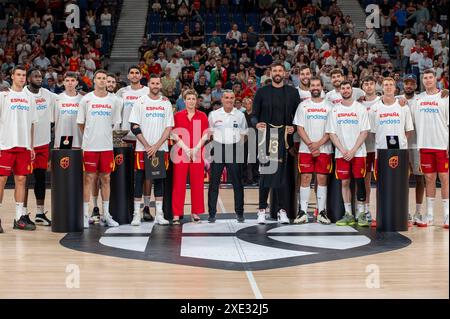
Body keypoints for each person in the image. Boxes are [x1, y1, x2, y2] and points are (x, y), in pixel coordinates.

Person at [252, 62, 300, 224]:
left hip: (284, 140)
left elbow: (297, 117)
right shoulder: (262, 92)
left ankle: (282, 210)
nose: (277, 73)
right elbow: (254, 115)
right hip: (266, 139)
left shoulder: (292, 93)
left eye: (280, 70)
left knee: (282, 177)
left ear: (285, 73)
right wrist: (256, 123)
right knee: (265, 174)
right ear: (270, 73)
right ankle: (261, 210)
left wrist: (293, 128)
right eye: (274, 70)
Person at [77, 69, 122, 228]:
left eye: (105, 78)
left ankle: (107, 215)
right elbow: (81, 123)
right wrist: (90, 135)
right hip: (90, 146)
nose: (102, 81)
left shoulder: (115, 100)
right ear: (94, 80)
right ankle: (84, 215)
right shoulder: (86, 99)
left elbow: (114, 123)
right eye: (100, 78)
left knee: (106, 179)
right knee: (88, 179)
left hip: (107, 146)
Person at [129, 74, 173, 226]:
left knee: (159, 180)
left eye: (157, 83)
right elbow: (134, 126)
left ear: (160, 85)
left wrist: (156, 146)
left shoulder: (166, 103)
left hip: (161, 149)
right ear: (148, 85)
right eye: (152, 83)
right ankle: (136, 214)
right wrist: (148, 145)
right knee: (139, 180)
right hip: (143, 149)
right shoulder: (140, 102)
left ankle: (159, 214)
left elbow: (169, 128)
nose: (155, 85)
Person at [326, 81, 370, 227]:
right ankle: (348, 214)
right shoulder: (335, 110)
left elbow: (364, 132)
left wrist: (352, 150)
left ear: (352, 90)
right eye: (343, 88)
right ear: (340, 91)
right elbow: (331, 133)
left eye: (347, 88)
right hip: (341, 153)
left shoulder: (360, 108)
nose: (345, 90)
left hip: (358, 152)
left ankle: (361, 214)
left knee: (359, 182)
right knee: (344, 182)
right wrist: (344, 150)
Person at [0, 65, 38, 232]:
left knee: (21, 180)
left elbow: (31, 124)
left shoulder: (30, 98)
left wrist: (31, 146)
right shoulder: (3, 96)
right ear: (12, 76)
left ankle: (18, 218)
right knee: (1, 180)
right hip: (5, 145)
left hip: (23, 146)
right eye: (19, 75)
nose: (22, 78)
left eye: (24, 75)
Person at [410, 69, 449, 228]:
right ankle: (430, 215)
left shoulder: (445, 97)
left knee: (445, 179)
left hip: (442, 145)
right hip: (424, 145)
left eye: (430, 77)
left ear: (436, 79)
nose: (427, 80)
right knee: (429, 179)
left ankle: (447, 215)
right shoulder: (417, 99)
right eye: (425, 78)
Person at [115, 66, 154, 222]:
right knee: (126, 175)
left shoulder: (147, 92)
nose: (134, 75)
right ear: (128, 75)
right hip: (124, 138)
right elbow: (117, 114)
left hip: (142, 138)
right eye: (131, 72)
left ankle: (146, 207)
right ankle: (127, 207)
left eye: (137, 73)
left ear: (141, 75)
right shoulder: (121, 92)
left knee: (146, 174)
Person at [293, 76, 332, 225]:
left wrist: (319, 144)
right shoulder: (303, 106)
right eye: (312, 85)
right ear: (309, 88)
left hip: (325, 148)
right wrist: (311, 144)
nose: (315, 87)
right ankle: (302, 212)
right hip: (305, 149)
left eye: (318, 85)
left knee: (322, 179)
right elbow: (299, 127)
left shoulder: (329, 106)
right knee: (305, 179)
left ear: (322, 87)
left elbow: (331, 129)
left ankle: (321, 211)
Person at [208, 90, 248, 223]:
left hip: (234, 148)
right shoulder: (213, 114)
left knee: (238, 183)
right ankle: (211, 213)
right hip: (218, 148)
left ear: (235, 99)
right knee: (214, 183)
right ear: (222, 99)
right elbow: (209, 134)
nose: (229, 100)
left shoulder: (240, 115)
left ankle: (240, 213)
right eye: (226, 98)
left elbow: (244, 134)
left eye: (232, 98)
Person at [171, 89, 209, 225]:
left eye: (193, 99)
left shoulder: (202, 116)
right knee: (179, 183)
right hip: (181, 153)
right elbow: (174, 134)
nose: (191, 101)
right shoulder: (178, 116)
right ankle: (176, 213)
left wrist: (196, 149)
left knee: (197, 183)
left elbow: (205, 134)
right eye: (189, 99)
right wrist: (186, 149)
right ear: (184, 100)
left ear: (197, 100)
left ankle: (196, 212)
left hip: (197, 153)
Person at [23, 68, 55, 226]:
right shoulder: (22, 95)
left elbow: (64, 99)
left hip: (43, 143)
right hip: (26, 145)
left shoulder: (48, 94)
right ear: (29, 78)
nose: (38, 79)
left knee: (41, 179)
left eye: (40, 77)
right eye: (35, 76)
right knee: (24, 180)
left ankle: (40, 213)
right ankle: (22, 213)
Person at [359, 76, 380, 225]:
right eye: (366, 84)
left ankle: (384, 210)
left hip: (379, 147)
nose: (368, 86)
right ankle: (366, 210)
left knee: (382, 180)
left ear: (375, 85)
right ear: (362, 86)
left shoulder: (382, 100)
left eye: (371, 83)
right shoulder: (358, 103)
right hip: (364, 148)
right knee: (366, 180)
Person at [53, 72, 83, 149]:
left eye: (72, 80)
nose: (70, 83)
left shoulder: (83, 100)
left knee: (77, 161)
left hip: (78, 140)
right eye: (67, 80)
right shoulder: (56, 99)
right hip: (61, 140)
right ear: (63, 82)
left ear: (77, 83)